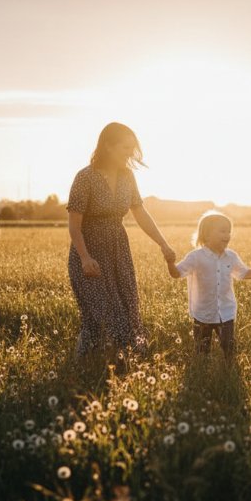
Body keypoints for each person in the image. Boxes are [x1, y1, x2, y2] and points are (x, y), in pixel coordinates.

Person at [67, 122, 176, 365]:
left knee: (127, 306)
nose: (130, 152)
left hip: (118, 251)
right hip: (90, 253)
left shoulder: (128, 176)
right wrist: (84, 257)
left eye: (132, 147)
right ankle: (83, 366)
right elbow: (74, 225)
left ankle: (124, 364)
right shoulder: (85, 177)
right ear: (107, 146)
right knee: (98, 313)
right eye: (125, 147)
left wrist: (163, 243)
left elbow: (141, 213)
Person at [166, 211, 251, 363]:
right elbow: (176, 273)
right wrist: (170, 263)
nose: (227, 235)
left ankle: (229, 372)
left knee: (229, 350)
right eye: (222, 231)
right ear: (207, 234)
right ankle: (201, 374)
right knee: (201, 352)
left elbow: (244, 273)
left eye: (229, 231)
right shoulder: (196, 257)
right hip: (203, 313)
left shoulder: (231, 256)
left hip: (226, 312)